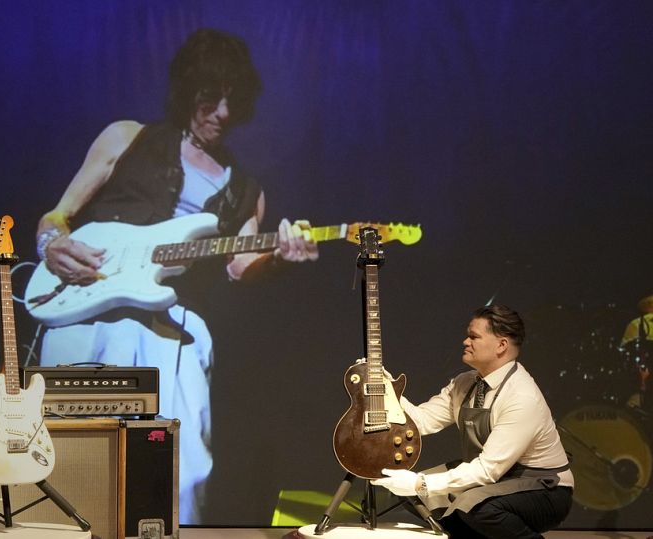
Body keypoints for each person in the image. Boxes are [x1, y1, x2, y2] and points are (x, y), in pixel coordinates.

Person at [32, 28, 318, 524]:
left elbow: (240, 266)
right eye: (211, 98)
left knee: (184, 469)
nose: (223, 114)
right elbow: (56, 216)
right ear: (189, 91)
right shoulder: (127, 137)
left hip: (174, 327)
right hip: (87, 310)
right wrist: (52, 244)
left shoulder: (246, 189)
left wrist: (279, 257)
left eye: (233, 101)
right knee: (66, 451)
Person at [373, 304, 573, 538]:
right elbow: (421, 421)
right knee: (419, 497)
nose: (465, 342)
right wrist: (386, 389)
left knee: (475, 506)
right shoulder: (465, 383)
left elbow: (488, 470)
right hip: (498, 476)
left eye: (474, 336)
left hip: (544, 488)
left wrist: (420, 482)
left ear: (501, 345)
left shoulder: (521, 396)